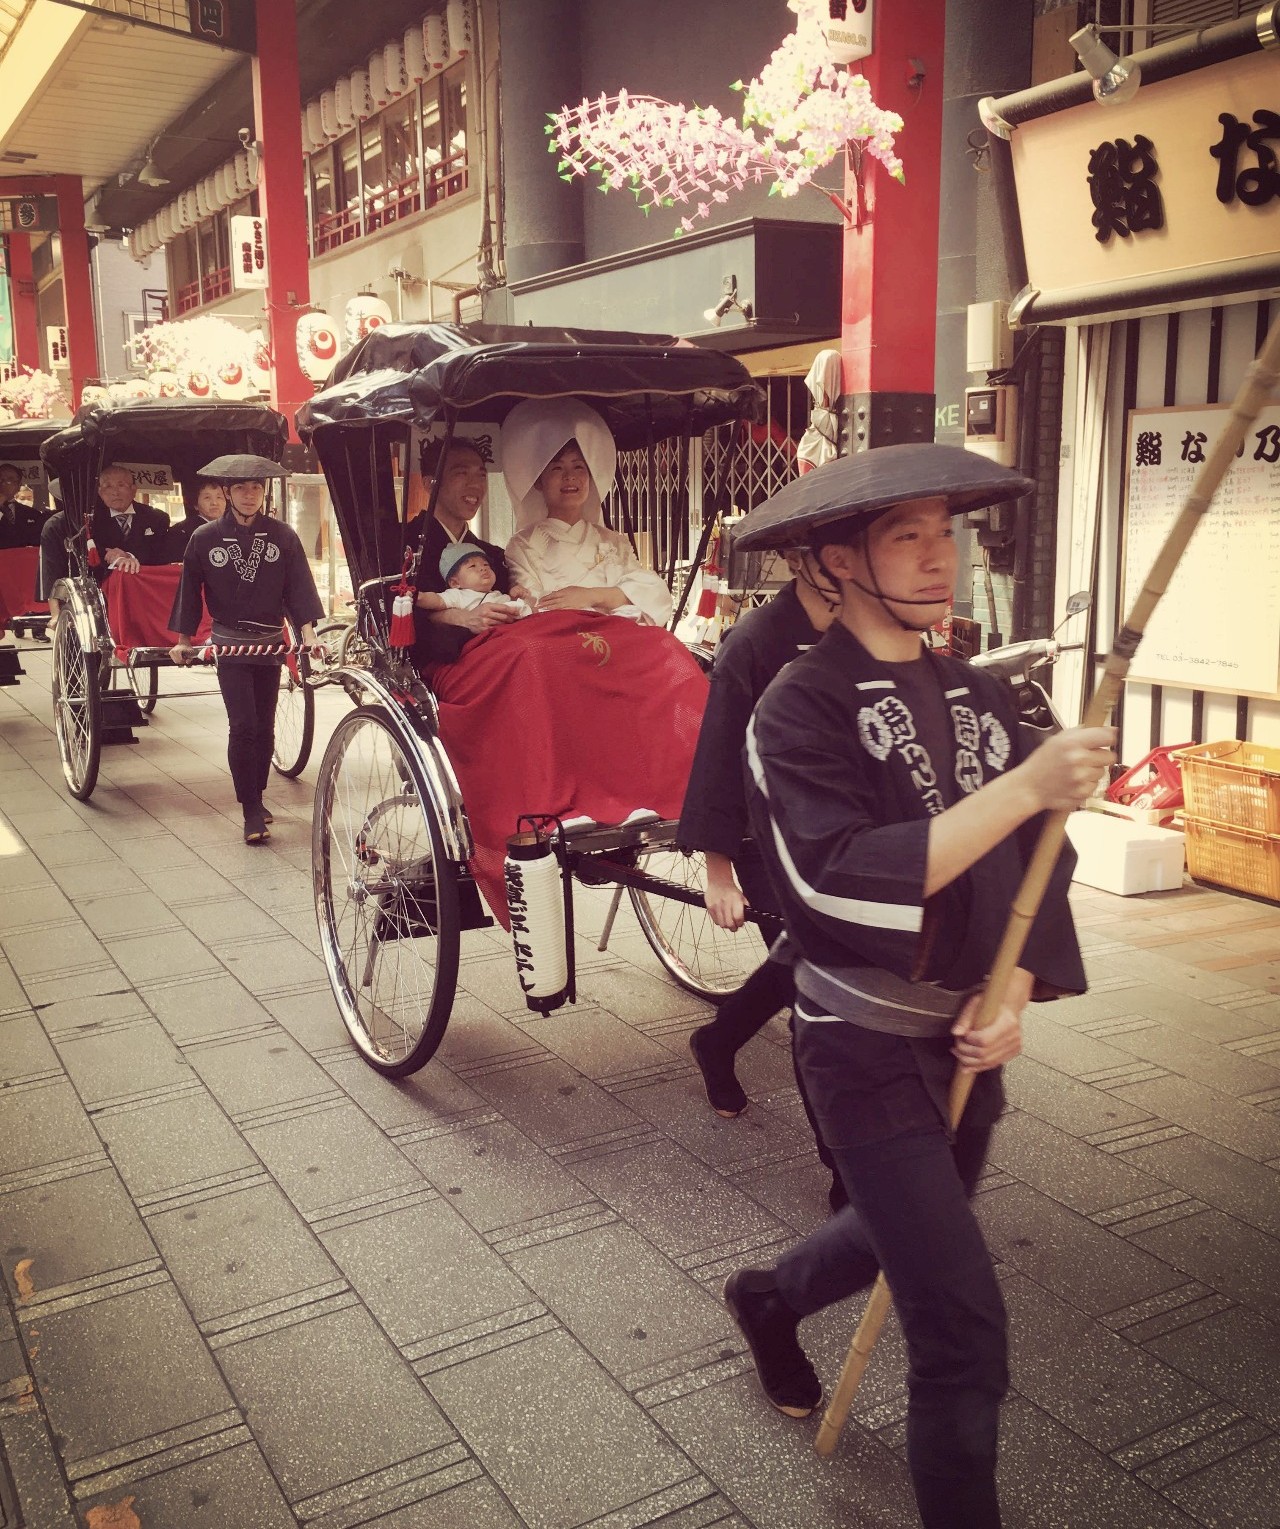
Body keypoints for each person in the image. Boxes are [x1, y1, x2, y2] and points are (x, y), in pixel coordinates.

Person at [720, 444, 1113, 1529]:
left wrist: (1013, 988)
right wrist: (1030, 779)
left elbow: (1040, 860)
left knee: (896, 1228)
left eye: (947, 531)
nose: (940, 556)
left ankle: (764, 1294)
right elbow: (832, 873)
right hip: (856, 1046)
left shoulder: (982, 695)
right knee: (961, 1329)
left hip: (962, 1041)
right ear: (837, 558)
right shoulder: (792, 709)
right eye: (908, 535)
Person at [677, 545, 847, 1211]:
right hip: (761, 828)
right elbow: (718, 754)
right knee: (815, 982)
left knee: (803, 960)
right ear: (802, 559)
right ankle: (845, 1170)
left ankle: (717, 1040)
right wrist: (719, 871)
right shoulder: (752, 643)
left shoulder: (863, 627)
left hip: (836, 831)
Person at [169, 456, 323, 845]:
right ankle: (250, 807)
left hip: (270, 642)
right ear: (226, 492)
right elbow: (190, 592)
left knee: (265, 725)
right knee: (243, 726)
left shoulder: (283, 535)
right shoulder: (203, 539)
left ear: (264, 491)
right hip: (230, 643)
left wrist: (307, 632)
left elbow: (298, 587)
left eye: (256, 488)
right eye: (240, 488)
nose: (249, 494)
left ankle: (257, 793)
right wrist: (185, 641)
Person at [502, 397, 671, 625]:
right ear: (538, 482)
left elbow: (654, 595)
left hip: (621, 642)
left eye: (579, 466)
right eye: (557, 467)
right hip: (560, 646)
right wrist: (614, 598)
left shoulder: (614, 540)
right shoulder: (523, 544)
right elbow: (535, 607)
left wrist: (590, 595)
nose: (570, 476)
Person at [408, 438, 522, 665]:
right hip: (440, 661)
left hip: (500, 653)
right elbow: (402, 612)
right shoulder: (404, 544)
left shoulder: (491, 555)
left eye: (481, 475)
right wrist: (462, 617)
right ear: (431, 484)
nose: (476, 485)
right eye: (461, 473)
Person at [39, 464, 170, 624]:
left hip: (145, 592)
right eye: (107, 486)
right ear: (100, 492)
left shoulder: (157, 518)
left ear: (134, 489)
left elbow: (160, 553)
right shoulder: (87, 521)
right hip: (102, 593)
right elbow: (62, 564)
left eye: (121, 485)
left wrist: (129, 556)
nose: (115, 492)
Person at [415, 542, 532, 619]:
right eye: (472, 566)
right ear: (455, 583)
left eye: (486, 564)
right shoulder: (458, 595)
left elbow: (520, 609)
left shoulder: (497, 594)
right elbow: (437, 600)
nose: (483, 568)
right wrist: (418, 596)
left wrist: (517, 597)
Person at [164, 478, 227, 560]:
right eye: (207, 498)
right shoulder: (181, 532)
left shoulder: (233, 529)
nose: (214, 503)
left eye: (219, 497)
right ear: (195, 504)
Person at [0, 464, 44, 548]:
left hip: (24, 558)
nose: (3, 483)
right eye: (0, 479)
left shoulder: (32, 514)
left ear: (19, 485)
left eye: (10, 479)